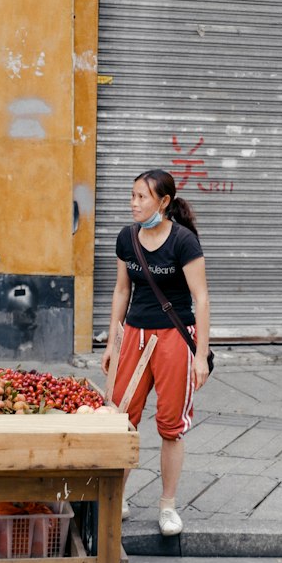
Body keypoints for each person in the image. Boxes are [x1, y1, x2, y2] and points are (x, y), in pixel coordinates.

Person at [102, 168, 210, 535]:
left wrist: (200, 355)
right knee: (121, 419)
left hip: (174, 339)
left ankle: (167, 506)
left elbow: (202, 298)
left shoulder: (184, 242)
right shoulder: (126, 238)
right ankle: (118, 497)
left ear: (163, 202)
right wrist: (111, 342)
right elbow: (121, 291)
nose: (134, 204)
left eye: (142, 197)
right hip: (134, 335)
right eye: (132, 196)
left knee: (170, 427)